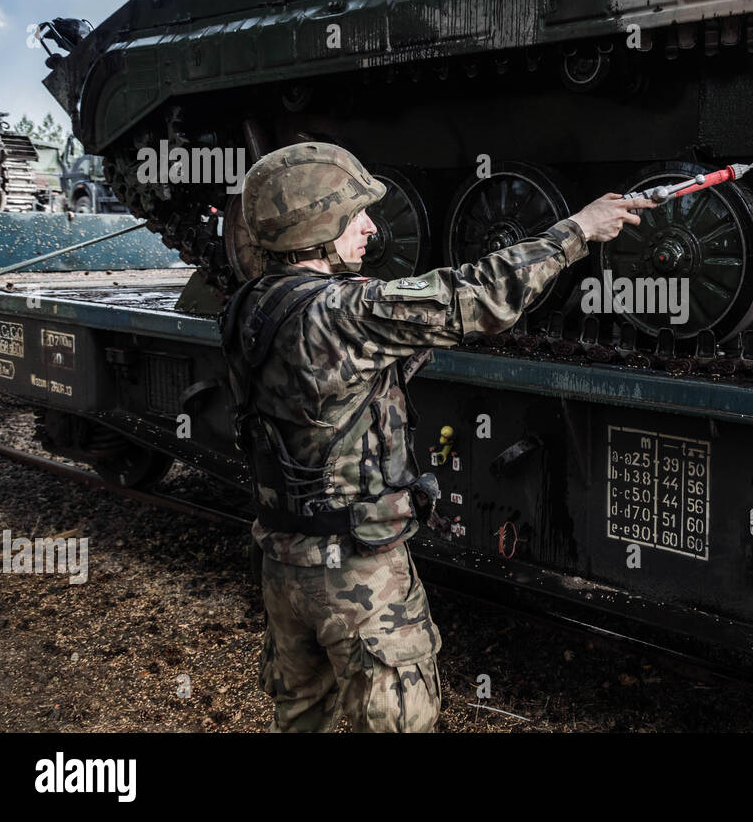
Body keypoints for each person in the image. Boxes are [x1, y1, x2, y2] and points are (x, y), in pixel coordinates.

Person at [220, 141, 654, 732]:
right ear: (316, 226)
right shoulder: (344, 313)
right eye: (355, 215)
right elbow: (472, 298)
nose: (371, 226)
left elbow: (348, 376)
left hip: (282, 559)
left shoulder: (252, 305)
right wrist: (576, 230)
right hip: (356, 573)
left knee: (301, 717)